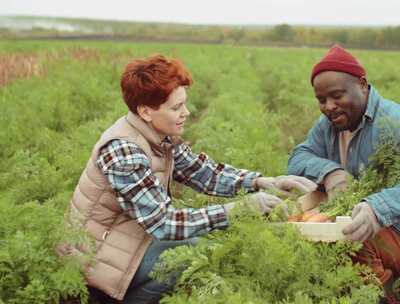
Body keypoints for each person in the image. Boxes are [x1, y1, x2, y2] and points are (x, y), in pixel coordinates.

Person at [63, 54, 316, 303]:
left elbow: (201, 172)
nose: (186, 112)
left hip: (128, 239)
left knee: (195, 245)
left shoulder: (160, 135)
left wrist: (261, 182)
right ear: (146, 111)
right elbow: (164, 223)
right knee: (190, 252)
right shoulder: (124, 150)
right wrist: (238, 209)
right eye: (176, 107)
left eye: (184, 103)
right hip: (93, 256)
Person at [287, 45, 400, 293]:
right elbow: (299, 156)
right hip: (376, 230)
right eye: (321, 100)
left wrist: (378, 208)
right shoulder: (328, 125)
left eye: (337, 96)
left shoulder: (398, 123)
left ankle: (390, 295)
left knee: (351, 240)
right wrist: (331, 172)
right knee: (324, 239)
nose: (329, 106)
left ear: (362, 85)